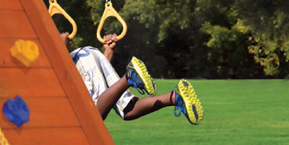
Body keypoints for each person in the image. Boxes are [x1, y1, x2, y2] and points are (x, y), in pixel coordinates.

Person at [71, 33, 204, 124]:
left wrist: (61, 43)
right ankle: (174, 97)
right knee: (127, 110)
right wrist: (109, 52)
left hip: (78, 60)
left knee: (94, 115)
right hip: (86, 57)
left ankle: (130, 76)